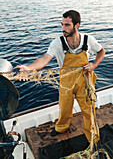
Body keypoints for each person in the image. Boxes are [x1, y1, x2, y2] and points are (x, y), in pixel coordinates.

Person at [17, 10, 105, 144]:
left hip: (85, 81)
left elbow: (101, 51)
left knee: (88, 111)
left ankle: (92, 136)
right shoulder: (57, 43)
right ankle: (61, 128)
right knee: (64, 109)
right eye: (62, 24)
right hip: (66, 82)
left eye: (67, 25)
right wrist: (29, 68)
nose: (63, 28)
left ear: (77, 25)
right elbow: (45, 58)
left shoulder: (88, 40)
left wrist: (94, 65)